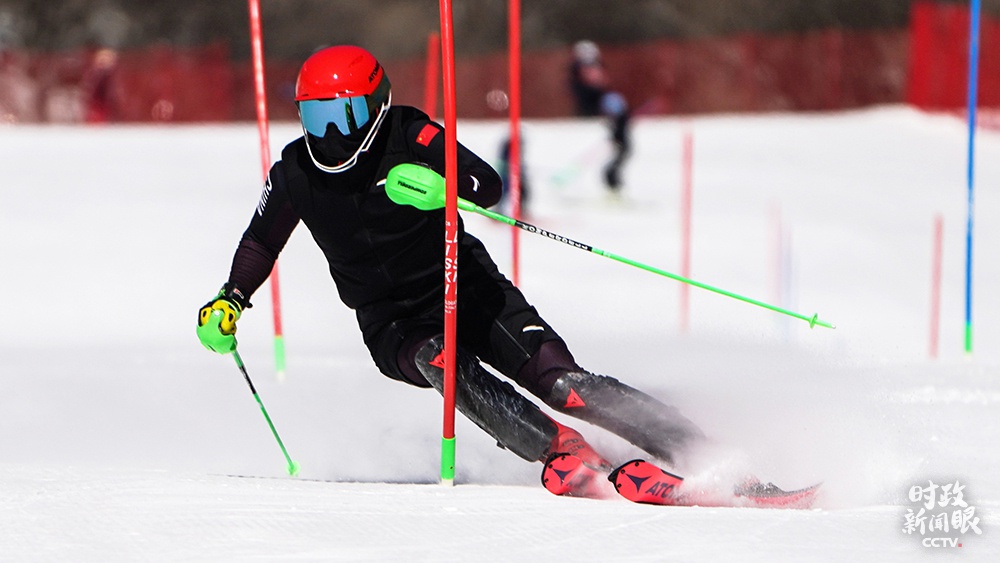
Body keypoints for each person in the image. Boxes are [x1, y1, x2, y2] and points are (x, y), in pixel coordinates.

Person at [196, 45, 702, 498]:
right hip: (393, 324)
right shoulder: (293, 173)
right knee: (442, 364)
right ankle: (562, 451)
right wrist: (230, 299)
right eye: (315, 117)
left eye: (343, 115)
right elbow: (261, 239)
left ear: (375, 108)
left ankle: (694, 447)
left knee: (562, 385)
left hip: (468, 287)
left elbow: (488, 186)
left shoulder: (410, 134)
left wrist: (445, 186)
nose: (330, 135)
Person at [568, 40, 631, 193]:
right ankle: (611, 183)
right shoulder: (578, 72)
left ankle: (613, 184)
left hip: (605, 112)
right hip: (594, 109)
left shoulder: (595, 69)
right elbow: (585, 92)